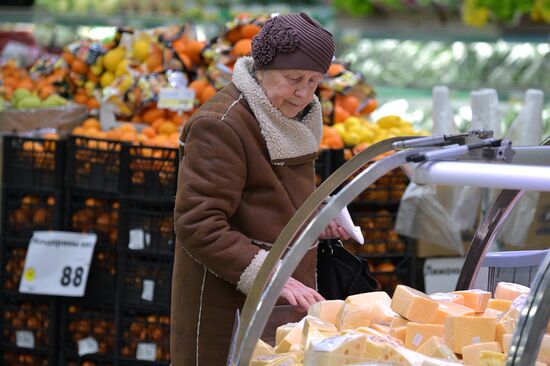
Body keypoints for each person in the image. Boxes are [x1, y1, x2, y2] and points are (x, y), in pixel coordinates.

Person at [171, 13, 350, 365]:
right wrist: (269, 274)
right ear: (263, 66)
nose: (303, 93)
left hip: (281, 304)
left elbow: (270, 196)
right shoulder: (220, 125)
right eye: (294, 78)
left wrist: (313, 219)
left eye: (314, 82)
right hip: (229, 307)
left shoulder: (293, 114)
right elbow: (198, 224)